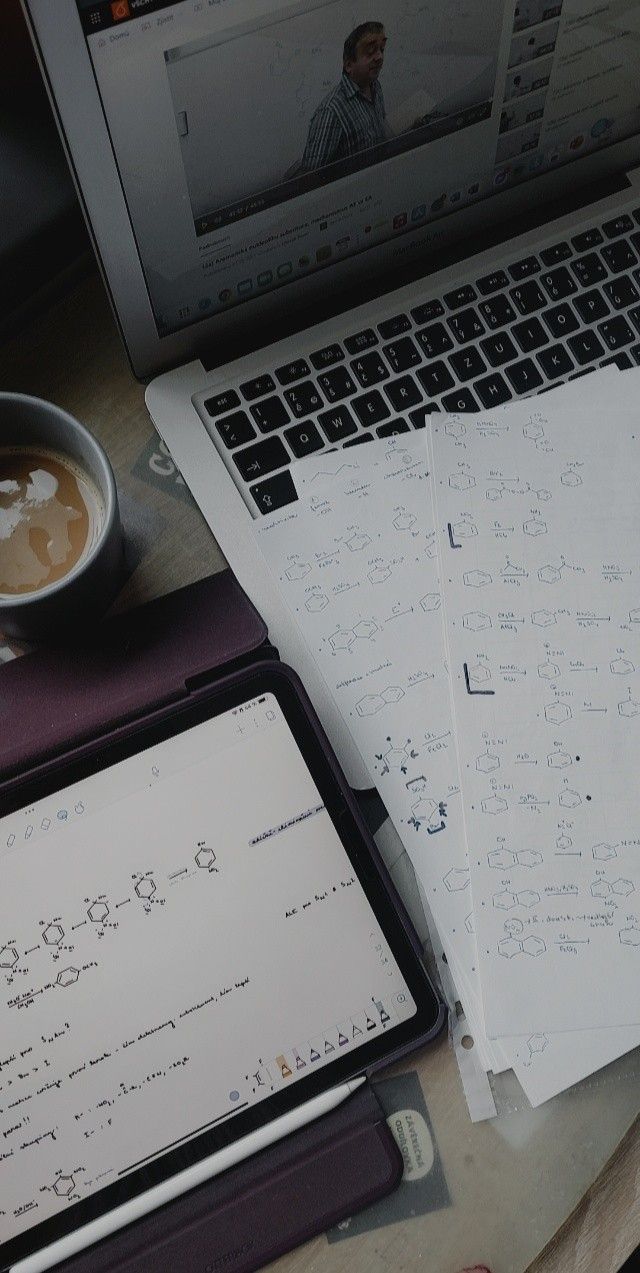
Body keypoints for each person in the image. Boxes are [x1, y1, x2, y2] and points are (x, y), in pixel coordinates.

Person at [300, 22, 389, 171]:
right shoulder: (331, 112)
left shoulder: (375, 86)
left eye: (381, 49)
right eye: (370, 51)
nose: (379, 57)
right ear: (348, 65)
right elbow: (311, 179)